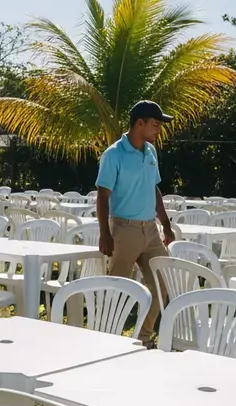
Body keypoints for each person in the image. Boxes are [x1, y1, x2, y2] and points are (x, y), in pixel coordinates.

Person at [96, 100, 176, 345]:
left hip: (150, 230)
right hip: (123, 230)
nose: (159, 129)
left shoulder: (151, 152)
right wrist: (105, 234)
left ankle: (142, 339)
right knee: (116, 290)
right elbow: (102, 196)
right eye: (156, 124)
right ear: (140, 124)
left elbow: (154, 189)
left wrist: (166, 223)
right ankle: (107, 340)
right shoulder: (113, 155)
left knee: (161, 286)